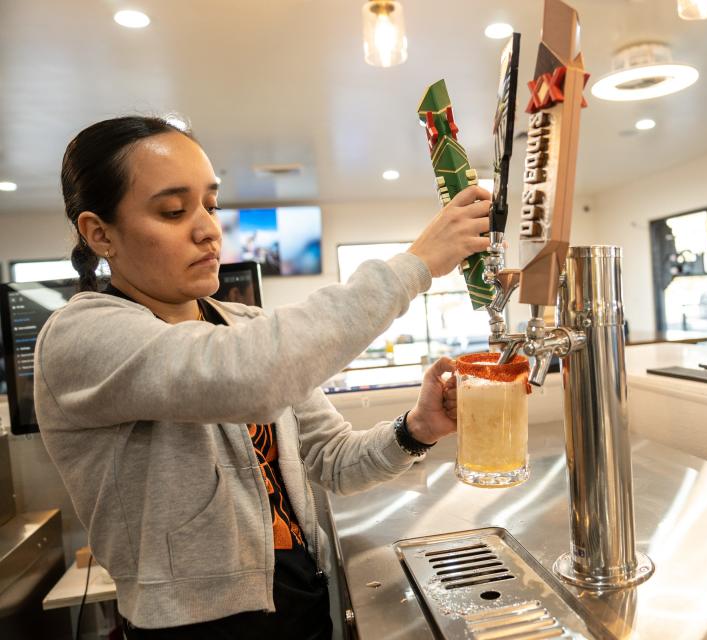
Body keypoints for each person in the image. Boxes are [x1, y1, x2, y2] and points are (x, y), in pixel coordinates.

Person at [34, 116, 490, 638]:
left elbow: (333, 461)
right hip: (198, 629)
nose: (207, 228)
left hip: (303, 603)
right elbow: (251, 376)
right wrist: (418, 263)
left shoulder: (240, 323)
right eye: (173, 211)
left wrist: (417, 428)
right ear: (100, 233)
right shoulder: (80, 336)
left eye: (211, 204)